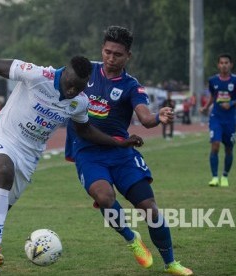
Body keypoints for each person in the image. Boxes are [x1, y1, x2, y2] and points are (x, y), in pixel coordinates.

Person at [0, 56, 144, 274]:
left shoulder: (80, 101)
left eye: (79, 88)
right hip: (2, 139)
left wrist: (119, 142)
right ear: (64, 72)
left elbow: (85, 130)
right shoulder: (37, 75)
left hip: (28, 158)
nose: (72, 91)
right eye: (71, 84)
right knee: (3, 171)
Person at [65, 26, 193, 276]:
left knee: (150, 209)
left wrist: (159, 116)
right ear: (102, 50)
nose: (111, 58)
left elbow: (145, 118)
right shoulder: (85, 72)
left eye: (118, 55)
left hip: (121, 153)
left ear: (128, 56)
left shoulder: (131, 85)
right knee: (104, 197)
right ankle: (131, 237)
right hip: (88, 152)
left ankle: (171, 263)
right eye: (107, 52)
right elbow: (59, 84)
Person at [200, 53, 236, 187]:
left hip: (230, 119)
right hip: (216, 117)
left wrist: (231, 104)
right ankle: (214, 177)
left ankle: (225, 176)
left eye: (227, 63)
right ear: (218, 65)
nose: (224, 65)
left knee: (229, 149)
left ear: (231, 65)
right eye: (222, 63)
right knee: (215, 145)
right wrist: (205, 107)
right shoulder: (213, 81)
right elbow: (213, 97)